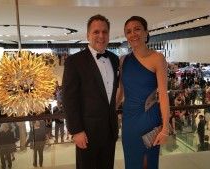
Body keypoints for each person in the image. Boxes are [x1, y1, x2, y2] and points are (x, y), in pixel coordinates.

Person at [62, 14, 119, 169]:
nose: (101, 36)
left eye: (105, 32)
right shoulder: (74, 62)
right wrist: (76, 130)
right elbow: (68, 99)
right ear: (88, 35)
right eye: (96, 32)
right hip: (86, 134)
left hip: (110, 131)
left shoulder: (114, 59)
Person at [116, 16, 170, 169]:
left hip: (149, 118)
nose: (133, 34)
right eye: (128, 31)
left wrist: (165, 127)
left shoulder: (158, 58)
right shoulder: (123, 60)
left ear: (146, 32)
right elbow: (121, 91)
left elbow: (164, 95)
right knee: (132, 162)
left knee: (147, 162)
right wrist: (110, 110)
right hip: (129, 120)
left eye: (137, 29)